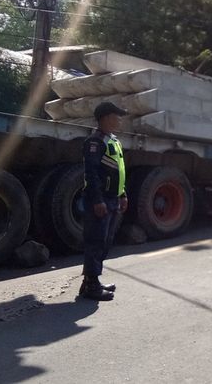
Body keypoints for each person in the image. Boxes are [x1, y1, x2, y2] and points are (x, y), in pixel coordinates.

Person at [78, 101, 128, 301]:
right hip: (100, 199)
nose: (120, 119)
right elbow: (91, 173)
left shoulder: (113, 140)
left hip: (113, 198)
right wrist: (97, 200)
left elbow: (119, 171)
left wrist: (123, 194)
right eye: (117, 115)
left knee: (105, 242)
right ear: (106, 118)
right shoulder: (95, 142)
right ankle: (91, 286)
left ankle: (90, 282)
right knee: (96, 242)